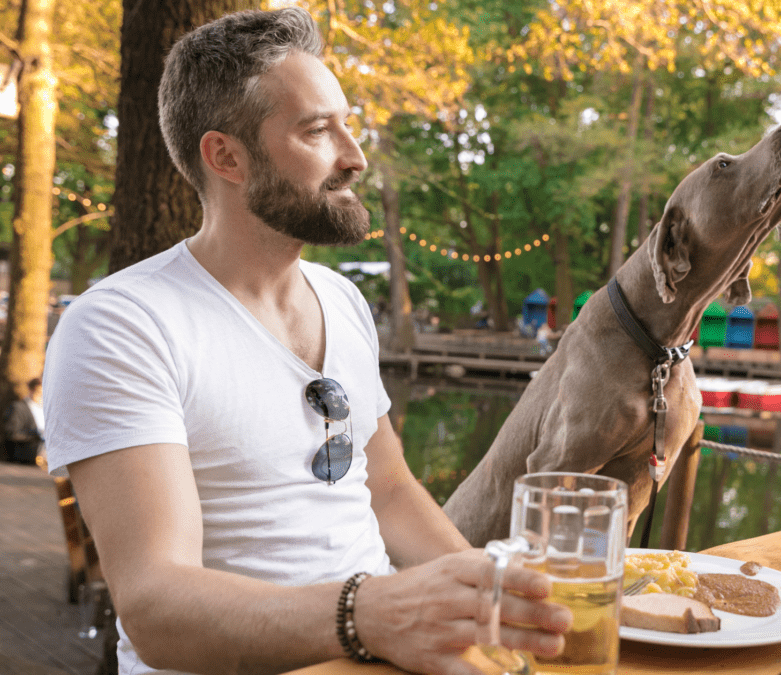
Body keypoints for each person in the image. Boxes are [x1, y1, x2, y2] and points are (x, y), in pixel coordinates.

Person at [42, 9, 569, 675]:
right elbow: (155, 605)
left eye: (347, 125)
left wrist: (497, 596)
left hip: (380, 653)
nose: (354, 157)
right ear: (226, 156)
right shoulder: (124, 323)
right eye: (318, 131)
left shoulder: (342, 300)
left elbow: (389, 487)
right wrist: (371, 615)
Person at [4, 377, 44, 465]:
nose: (41, 396)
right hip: (27, 458)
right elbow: (12, 434)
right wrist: (35, 434)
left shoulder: (47, 410)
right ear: (30, 390)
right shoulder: (17, 408)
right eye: (38, 393)